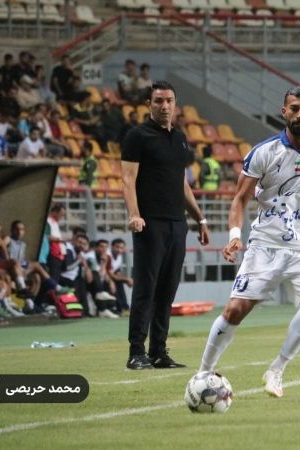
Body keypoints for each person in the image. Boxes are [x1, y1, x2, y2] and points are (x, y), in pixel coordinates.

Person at [196, 86, 300, 398]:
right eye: (294, 108)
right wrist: (235, 236)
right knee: (235, 310)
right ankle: (203, 373)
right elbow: (240, 199)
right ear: (284, 112)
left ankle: (277, 369)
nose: (299, 114)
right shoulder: (264, 152)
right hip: (265, 245)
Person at [121, 81, 210, 370]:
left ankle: (158, 351)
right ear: (149, 104)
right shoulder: (137, 136)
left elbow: (182, 184)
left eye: (169, 100)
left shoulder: (180, 139)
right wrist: (134, 215)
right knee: (145, 289)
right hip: (150, 224)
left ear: (175, 103)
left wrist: (200, 219)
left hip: (177, 224)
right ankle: (136, 352)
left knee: (167, 291)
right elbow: (128, 179)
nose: (164, 106)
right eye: (158, 101)